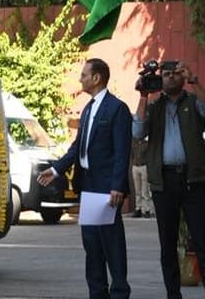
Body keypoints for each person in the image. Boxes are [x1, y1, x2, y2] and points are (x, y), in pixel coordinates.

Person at [39, 58, 132, 299]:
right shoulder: (89, 108)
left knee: (112, 245)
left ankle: (120, 293)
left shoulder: (116, 108)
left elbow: (123, 151)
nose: (81, 79)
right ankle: (97, 294)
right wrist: (56, 169)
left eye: (84, 74)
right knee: (92, 246)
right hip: (88, 186)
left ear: (97, 78)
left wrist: (117, 186)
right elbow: (77, 147)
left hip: (107, 189)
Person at [132, 60, 205, 299]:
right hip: (163, 181)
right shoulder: (154, 105)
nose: (170, 78)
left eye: (175, 74)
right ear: (160, 79)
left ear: (182, 78)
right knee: (167, 243)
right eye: (166, 74)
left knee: (202, 240)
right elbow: (138, 131)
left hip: (191, 180)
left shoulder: (191, 101)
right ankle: (173, 294)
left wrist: (195, 80)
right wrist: (143, 96)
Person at [131, 134, 152, 218]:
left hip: (144, 166)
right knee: (137, 190)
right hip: (135, 166)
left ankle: (146, 209)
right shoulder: (134, 142)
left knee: (145, 189)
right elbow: (132, 154)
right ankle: (138, 208)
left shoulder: (147, 143)